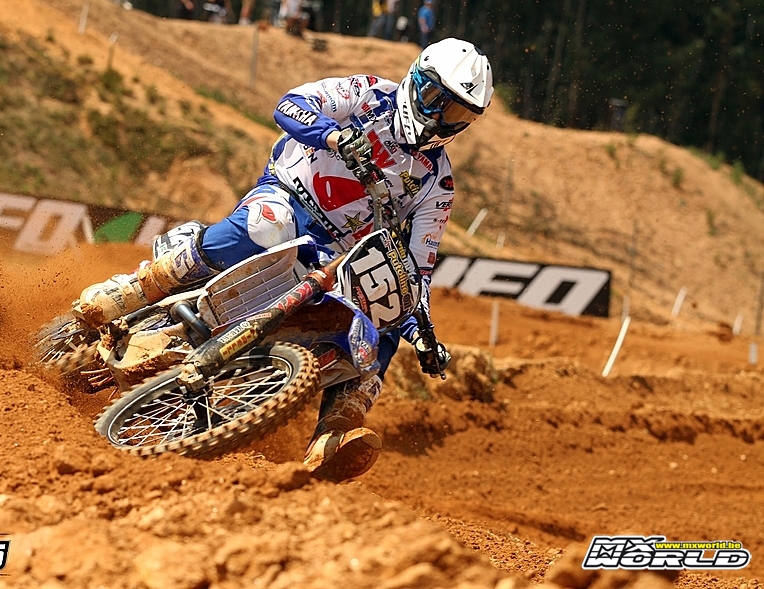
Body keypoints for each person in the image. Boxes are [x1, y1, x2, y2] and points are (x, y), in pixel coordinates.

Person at [74, 39, 494, 483]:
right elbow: (290, 105)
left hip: (339, 253)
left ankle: (335, 432)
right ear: (417, 80)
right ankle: (137, 289)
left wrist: (421, 330)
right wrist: (334, 136)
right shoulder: (369, 94)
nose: (441, 118)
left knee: (384, 313)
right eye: (437, 100)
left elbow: (418, 266)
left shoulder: (437, 183)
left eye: (458, 114)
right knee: (266, 226)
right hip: (290, 197)